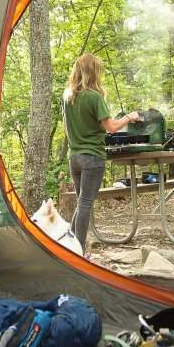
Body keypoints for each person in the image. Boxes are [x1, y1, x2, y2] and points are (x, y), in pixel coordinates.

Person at [62, 54, 141, 254]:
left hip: (75, 157)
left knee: (81, 203)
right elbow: (112, 128)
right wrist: (129, 117)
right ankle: (79, 250)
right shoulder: (94, 97)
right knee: (85, 204)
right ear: (93, 72)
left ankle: (69, 246)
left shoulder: (68, 97)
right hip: (92, 157)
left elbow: (67, 128)